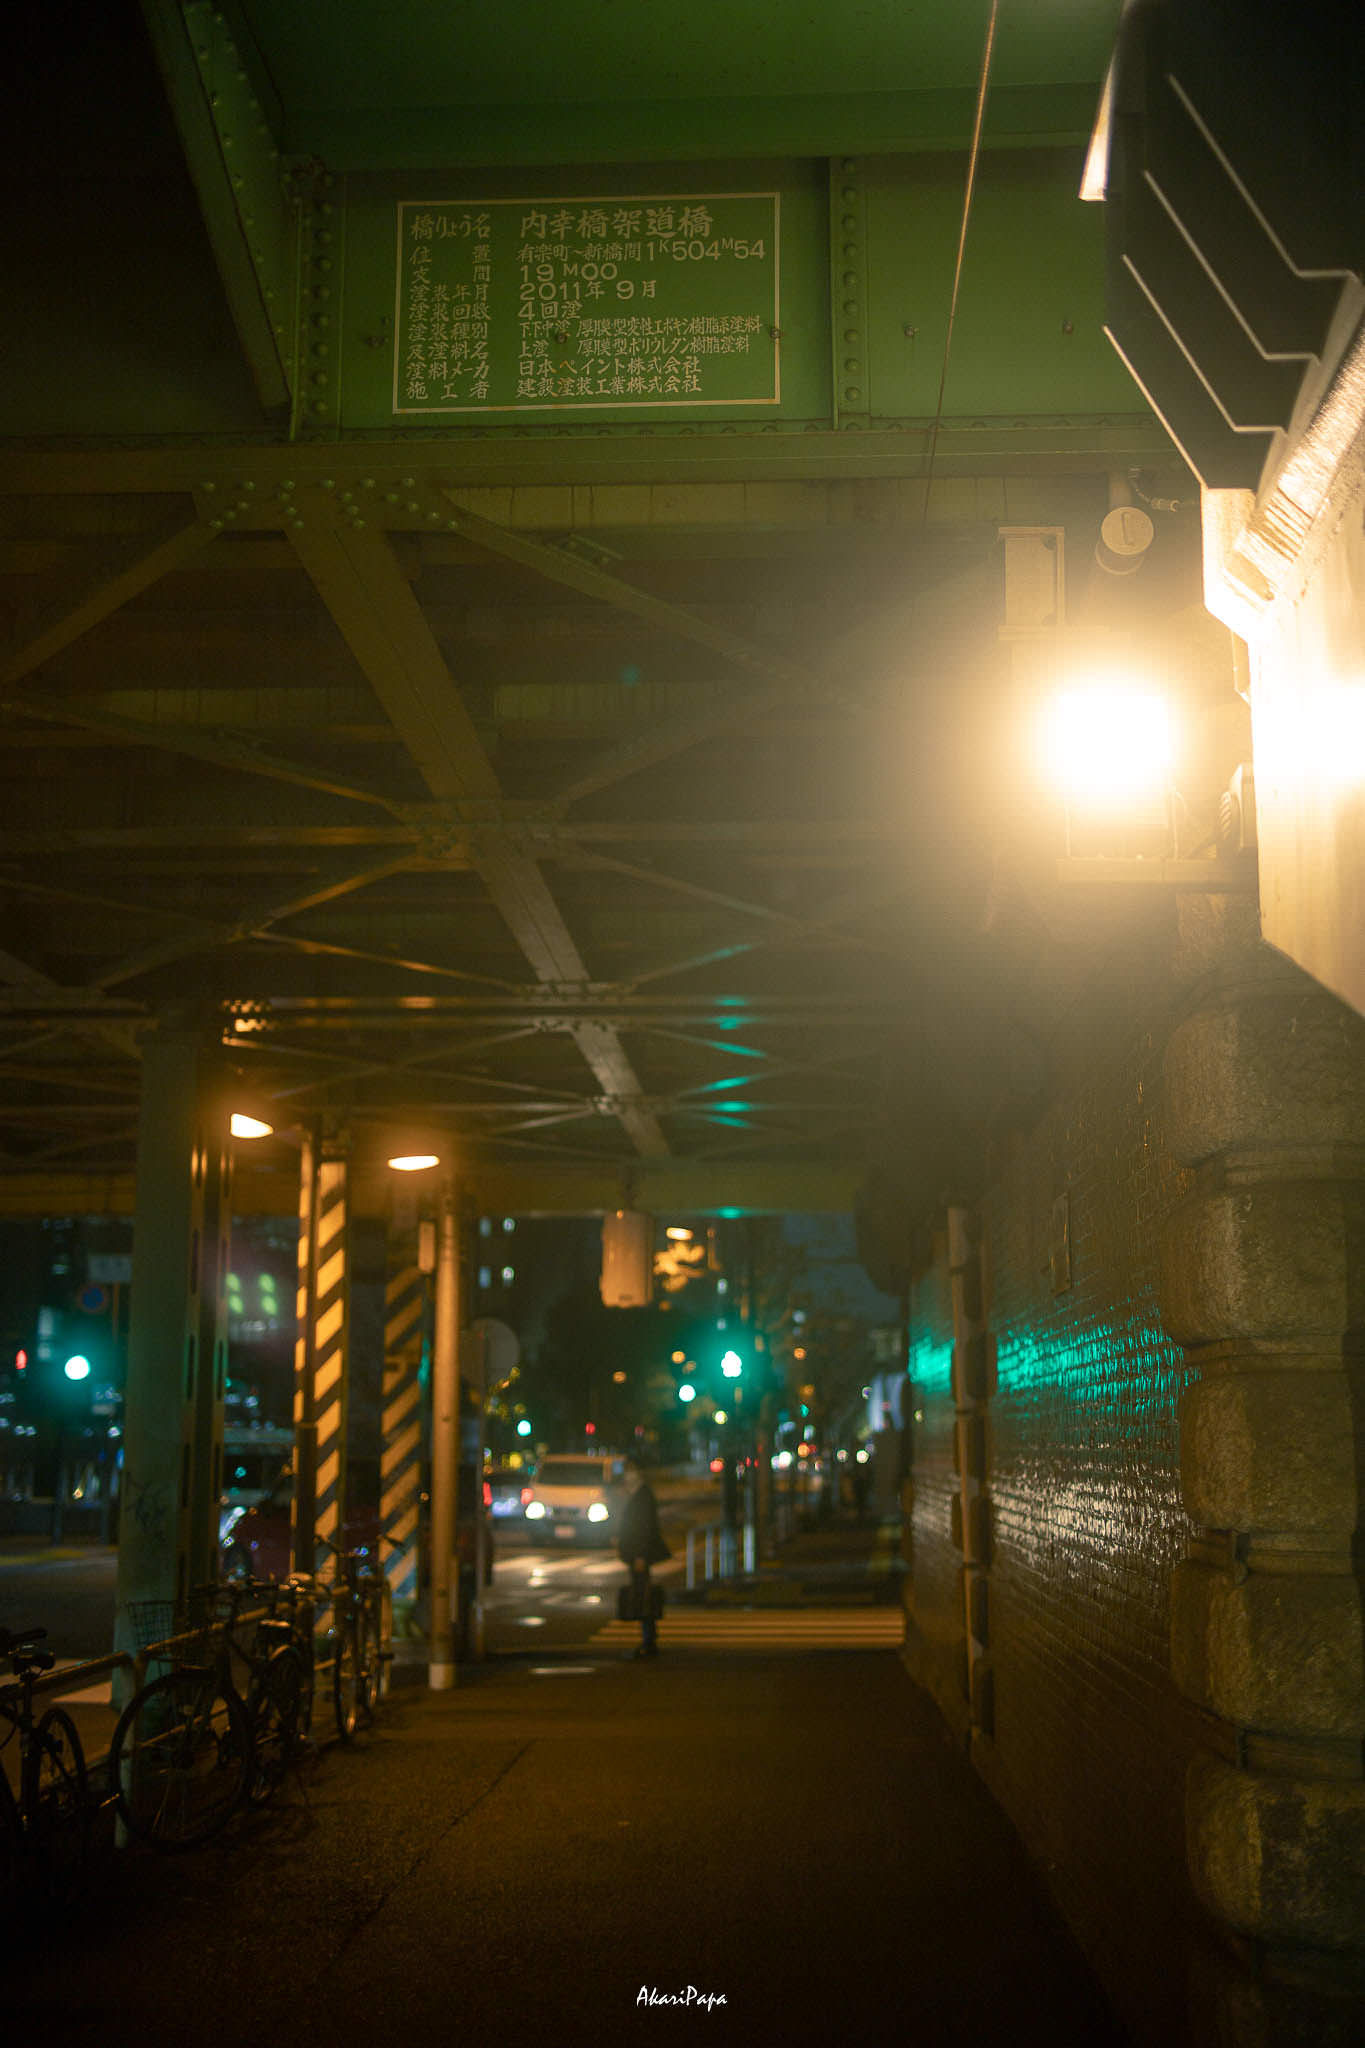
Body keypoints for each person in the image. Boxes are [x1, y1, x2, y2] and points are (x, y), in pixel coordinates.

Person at [616, 1455, 670, 1659]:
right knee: (642, 1594)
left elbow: (645, 1528)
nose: (627, 1474)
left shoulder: (643, 1495)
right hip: (637, 1554)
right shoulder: (636, 1493)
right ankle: (648, 1638)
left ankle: (649, 1641)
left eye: (630, 1469)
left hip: (640, 1555)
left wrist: (640, 1555)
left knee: (643, 1596)